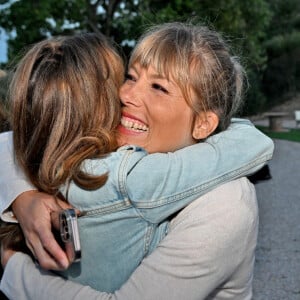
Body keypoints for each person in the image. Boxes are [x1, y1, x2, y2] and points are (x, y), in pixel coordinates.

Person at [0, 22, 273, 299]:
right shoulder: (105, 155)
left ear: (203, 124)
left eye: (158, 87)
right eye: (130, 77)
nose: (125, 95)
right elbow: (19, 138)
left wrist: (14, 267)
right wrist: (22, 196)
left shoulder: (224, 203)